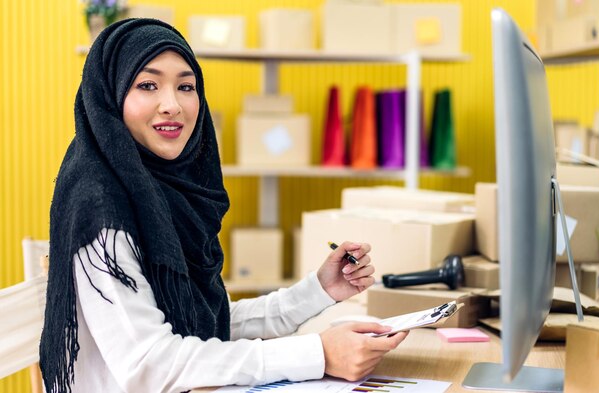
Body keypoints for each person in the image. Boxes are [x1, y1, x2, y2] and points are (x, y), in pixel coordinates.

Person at [39, 18, 408, 393]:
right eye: (147, 85)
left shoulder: (159, 191)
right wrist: (318, 353)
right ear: (109, 96)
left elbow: (209, 319)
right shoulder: (100, 206)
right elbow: (149, 364)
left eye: (186, 86)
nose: (172, 105)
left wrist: (319, 290)